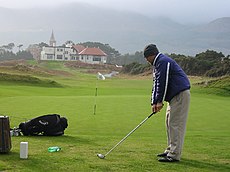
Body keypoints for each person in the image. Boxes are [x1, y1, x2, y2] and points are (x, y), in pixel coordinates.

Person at [143, 44, 190, 162]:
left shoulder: (163, 61)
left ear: (151, 55)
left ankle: (174, 155)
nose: (146, 60)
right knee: (169, 123)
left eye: (146, 57)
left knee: (176, 125)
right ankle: (170, 149)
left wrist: (159, 101)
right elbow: (156, 83)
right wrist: (154, 102)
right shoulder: (158, 63)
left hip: (180, 94)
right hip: (173, 97)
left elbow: (163, 81)